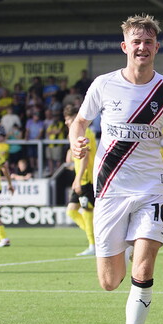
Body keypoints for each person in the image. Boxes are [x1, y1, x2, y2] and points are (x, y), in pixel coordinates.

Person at [68, 14, 163, 324]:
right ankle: (124, 244)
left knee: (144, 268)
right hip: (109, 190)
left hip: (150, 188)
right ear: (125, 46)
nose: (142, 47)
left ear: (157, 47)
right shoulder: (103, 85)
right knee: (110, 282)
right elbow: (80, 121)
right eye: (136, 42)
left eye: (148, 42)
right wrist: (76, 141)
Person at [63, 103, 98, 256]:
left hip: (86, 178)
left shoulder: (85, 133)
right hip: (81, 177)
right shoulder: (76, 134)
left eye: (68, 119)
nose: (66, 122)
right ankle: (98, 237)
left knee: (87, 210)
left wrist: (77, 178)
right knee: (71, 211)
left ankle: (94, 245)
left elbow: (86, 156)